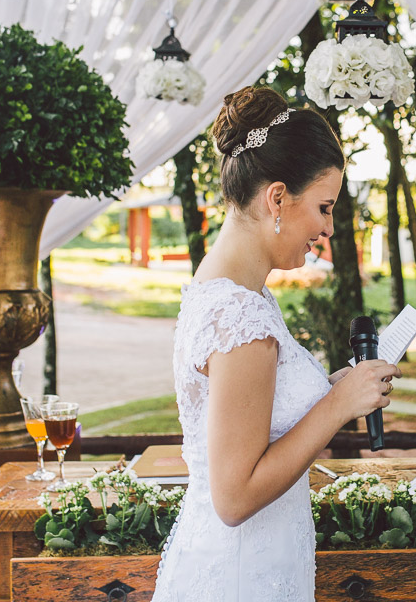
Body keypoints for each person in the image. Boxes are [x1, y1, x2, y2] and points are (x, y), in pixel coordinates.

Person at [152, 86, 400, 602]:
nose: (328, 228)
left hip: (252, 561)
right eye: (324, 207)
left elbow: (256, 415)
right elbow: (235, 496)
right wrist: (336, 406)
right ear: (277, 198)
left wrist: (338, 388)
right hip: (242, 576)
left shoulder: (234, 290)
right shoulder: (241, 314)